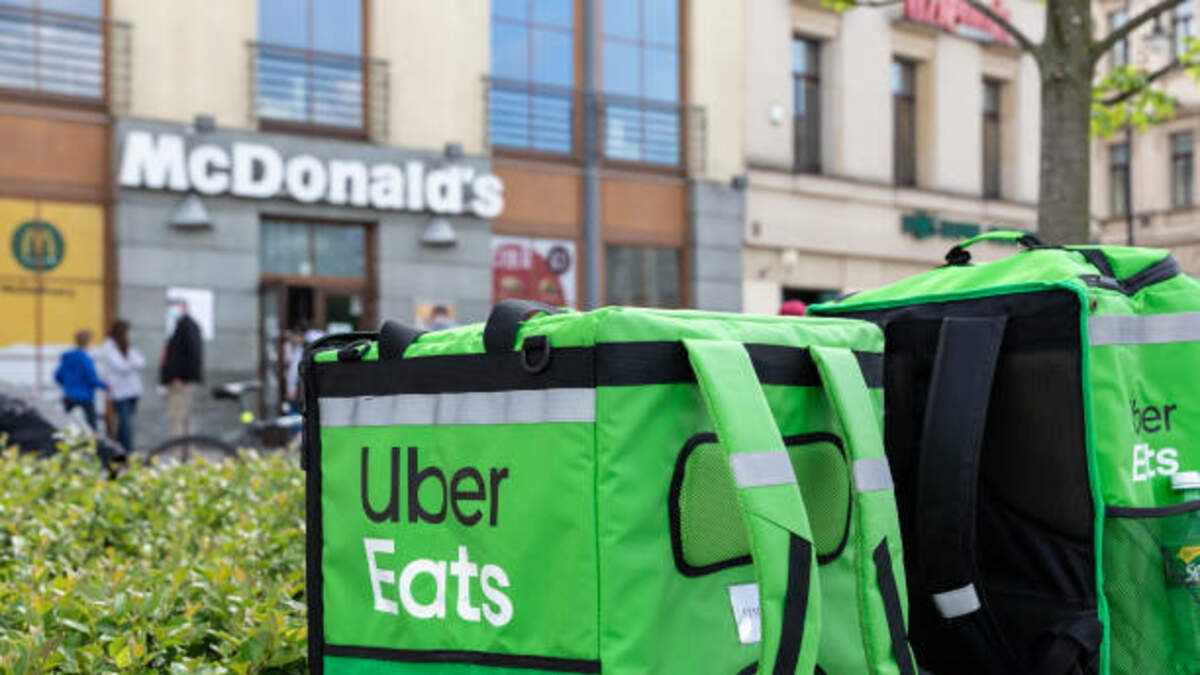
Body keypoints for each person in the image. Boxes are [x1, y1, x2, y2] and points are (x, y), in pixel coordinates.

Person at [99, 319, 145, 452]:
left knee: (126, 424)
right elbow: (120, 366)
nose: (129, 334)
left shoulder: (128, 346)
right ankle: (127, 451)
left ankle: (119, 452)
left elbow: (141, 362)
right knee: (125, 423)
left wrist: (130, 363)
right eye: (127, 332)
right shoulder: (108, 347)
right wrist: (132, 363)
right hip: (119, 391)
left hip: (133, 391)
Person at [160, 303, 203, 438]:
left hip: (181, 382)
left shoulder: (188, 327)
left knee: (177, 417)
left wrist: (180, 377)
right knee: (184, 417)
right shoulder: (182, 326)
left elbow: (192, 354)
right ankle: (186, 448)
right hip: (181, 380)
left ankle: (177, 449)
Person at [54, 330, 107, 430]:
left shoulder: (67, 358)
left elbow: (57, 376)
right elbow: (92, 378)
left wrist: (67, 385)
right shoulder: (85, 359)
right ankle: (93, 439)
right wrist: (105, 385)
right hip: (85, 396)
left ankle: (63, 437)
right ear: (88, 343)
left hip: (69, 395)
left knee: (63, 422)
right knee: (92, 424)